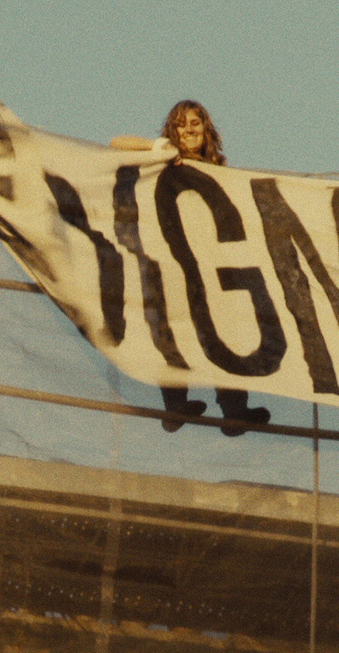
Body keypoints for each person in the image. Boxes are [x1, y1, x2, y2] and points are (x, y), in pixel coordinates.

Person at [111, 100, 271, 436]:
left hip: (211, 264)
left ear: (206, 129)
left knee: (226, 330)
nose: (189, 130)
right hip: (170, 260)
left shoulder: (220, 170)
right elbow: (116, 143)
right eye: (181, 124)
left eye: (195, 123)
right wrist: (159, 148)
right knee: (172, 326)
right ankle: (175, 406)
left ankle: (234, 411)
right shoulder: (164, 158)